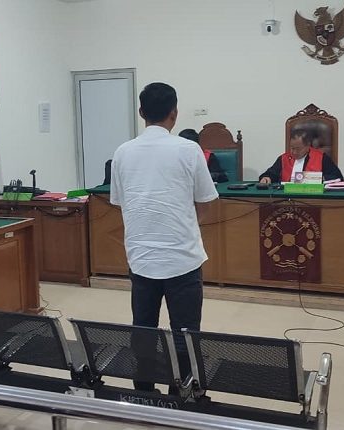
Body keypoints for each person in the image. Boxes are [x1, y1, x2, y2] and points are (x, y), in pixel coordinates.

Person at [110, 83, 219, 392]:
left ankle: (144, 392)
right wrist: (187, 225)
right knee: (186, 334)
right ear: (174, 113)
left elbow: (120, 203)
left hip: (141, 259)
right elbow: (206, 202)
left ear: (141, 112)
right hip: (182, 258)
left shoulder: (122, 152)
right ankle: (183, 395)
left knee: (143, 330)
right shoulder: (189, 149)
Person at [259, 129, 343, 184]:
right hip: (286, 198)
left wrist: (317, 178)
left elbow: (337, 178)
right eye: (292, 148)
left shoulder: (321, 158)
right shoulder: (284, 158)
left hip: (313, 198)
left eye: (298, 149)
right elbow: (271, 173)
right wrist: (267, 178)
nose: (294, 152)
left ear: (308, 146)